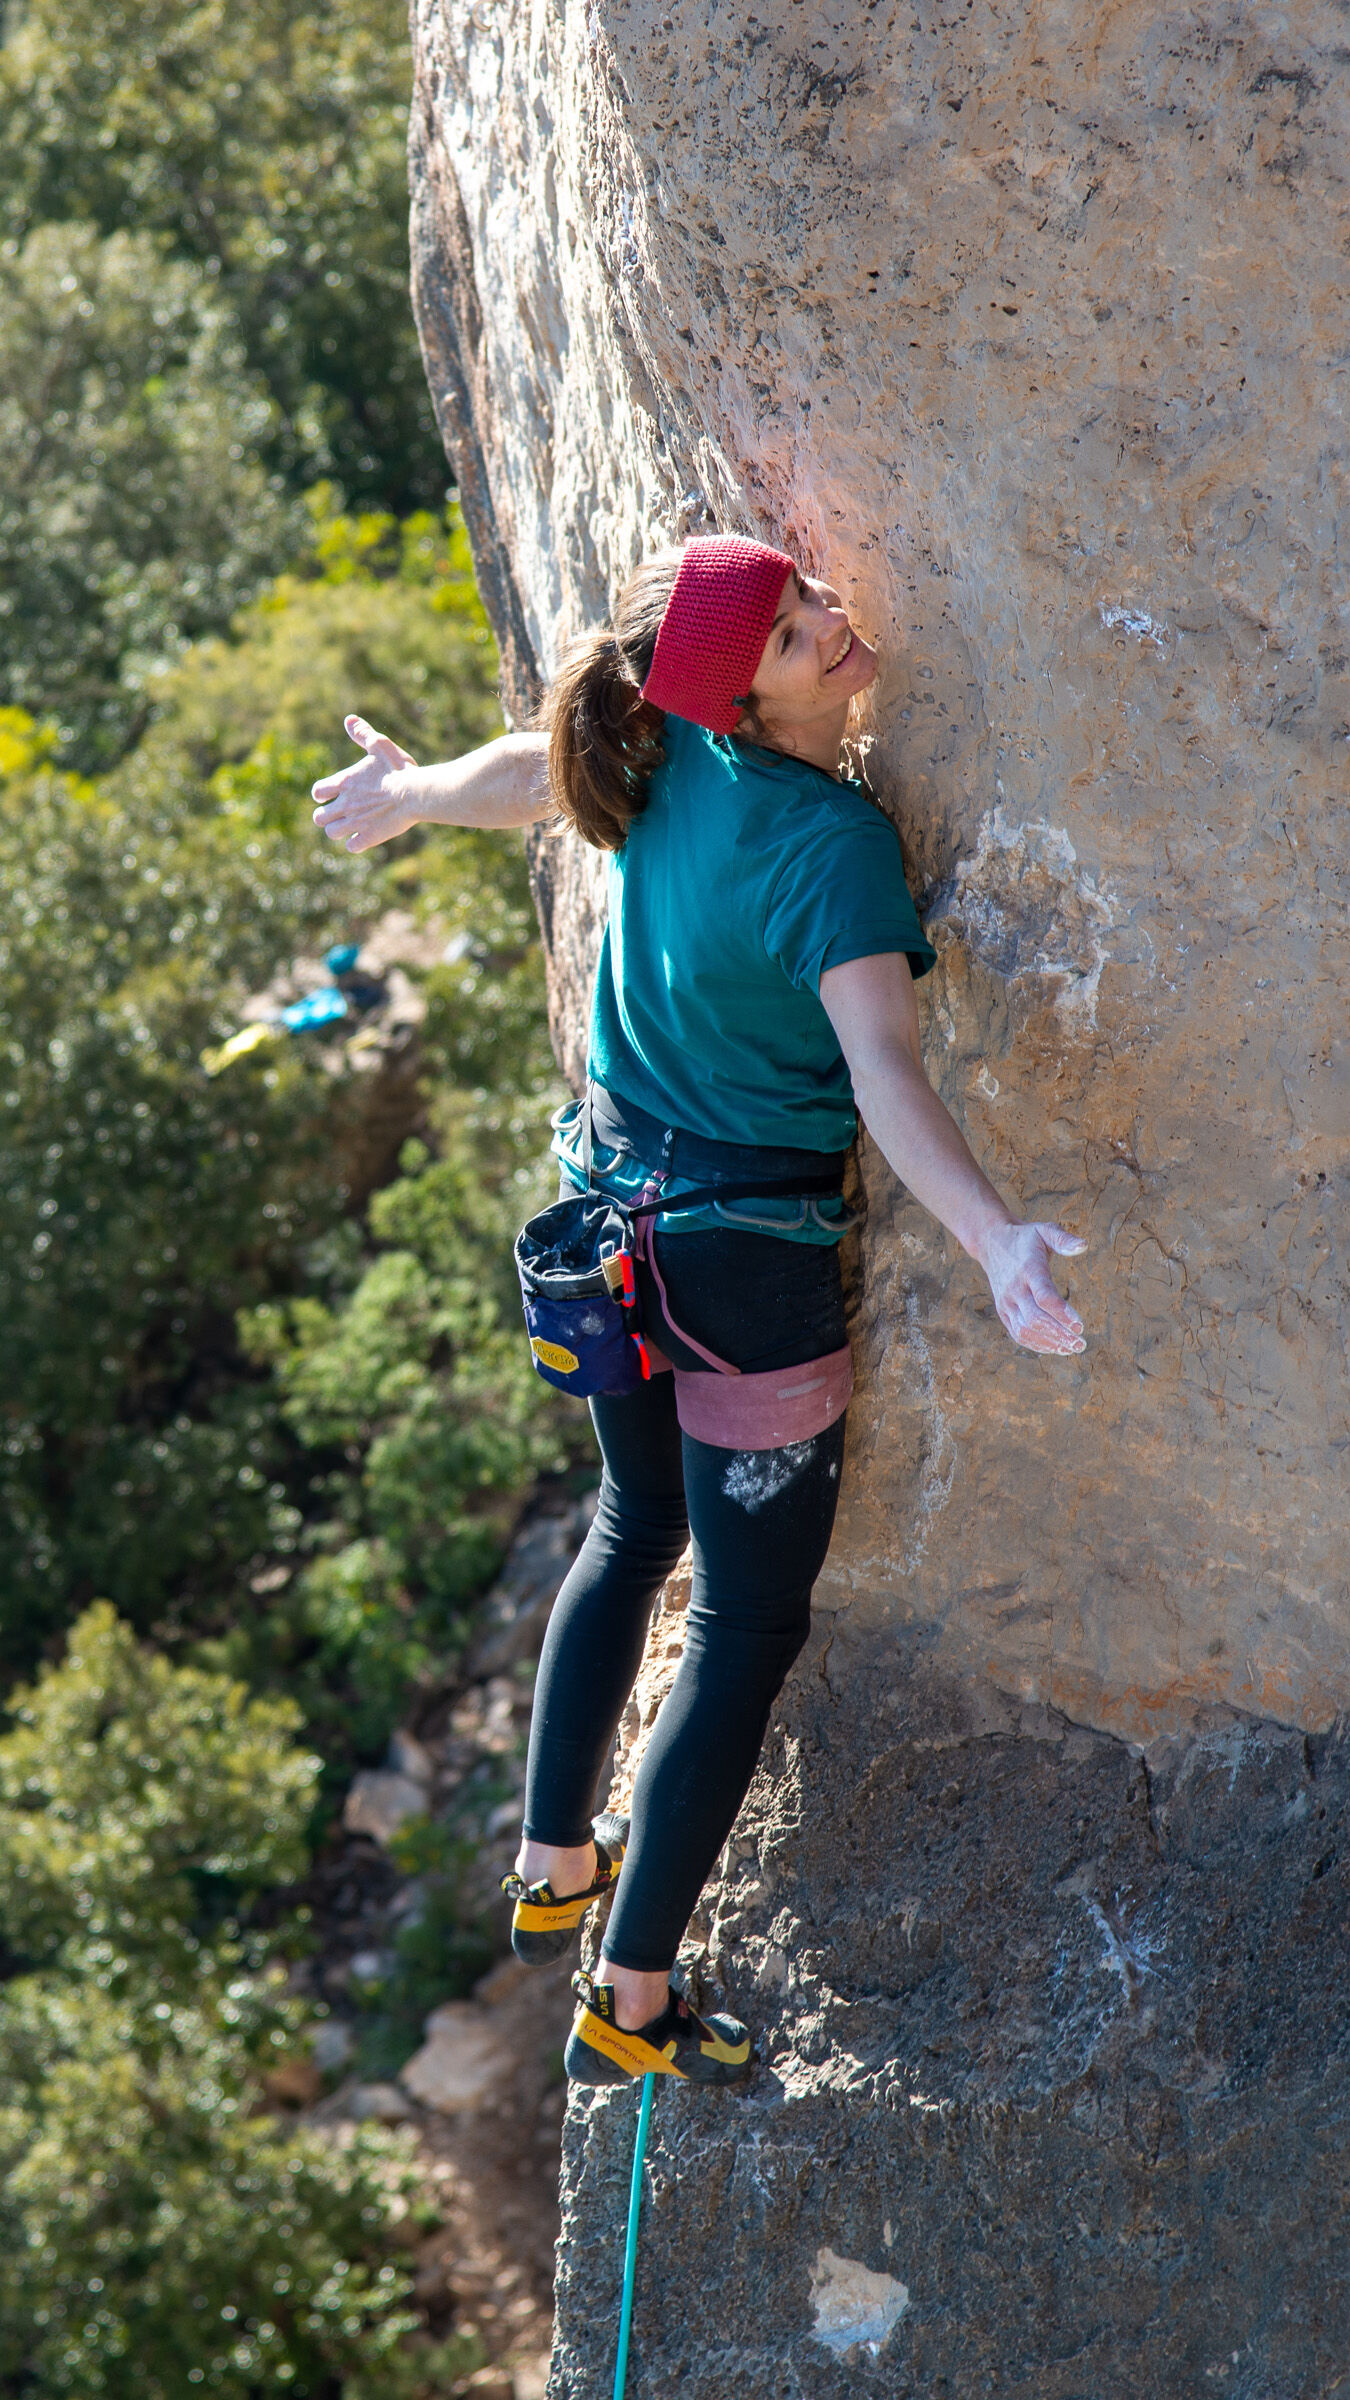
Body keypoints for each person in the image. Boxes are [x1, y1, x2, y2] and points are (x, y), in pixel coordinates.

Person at [312, 534, 1086, 2088]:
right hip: (738, 1261)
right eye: (802, 634)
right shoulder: (828, 844)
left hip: (605, 1220)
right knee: (741, 1620)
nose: (837, 626)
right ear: (740, 698)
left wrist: (405, 799)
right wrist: (996, 1239)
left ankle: (553, 1865)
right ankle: (634, 1994)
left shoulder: (653, 748)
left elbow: (520, 776)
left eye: (812, 602)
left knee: (628, 1520)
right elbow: (882, 1075)